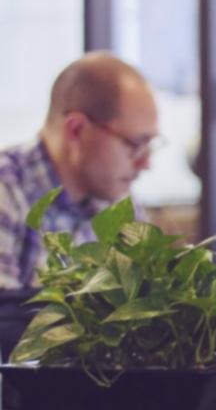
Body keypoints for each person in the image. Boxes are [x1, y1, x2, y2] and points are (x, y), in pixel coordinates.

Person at [0, 54, 159, 354]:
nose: (146, 163)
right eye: (135, 144)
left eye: (151, 145)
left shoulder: (121, 204)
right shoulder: (7, 192)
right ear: (76, 130)